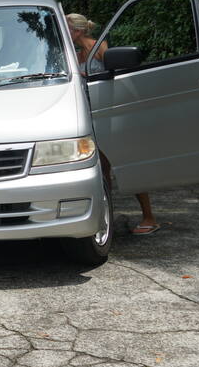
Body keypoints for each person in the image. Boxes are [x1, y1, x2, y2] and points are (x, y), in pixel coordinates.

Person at [66, 13, 159, 236]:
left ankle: (150, 217)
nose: (65, 33)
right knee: (103, 168)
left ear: (77, 31)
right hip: (94, 116)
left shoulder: (100, 48)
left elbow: (115, 78)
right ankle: (105, 215)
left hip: (112, 113)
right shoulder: (79, 54)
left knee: (127, 163)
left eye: (67, 29)